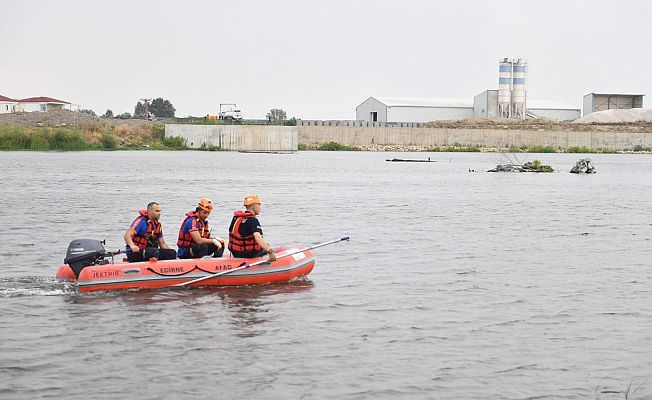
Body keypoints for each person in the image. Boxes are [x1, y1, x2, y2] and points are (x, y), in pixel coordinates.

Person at [228, 194, 276, 262]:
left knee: (265, 246)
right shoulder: (253, 220)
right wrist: (270, 252)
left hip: (236, 253)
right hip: (249, 254)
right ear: (254, 206)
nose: (260, 208)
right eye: (259, 205)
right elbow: (258, 238)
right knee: (268, 247)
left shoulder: (236, 218)